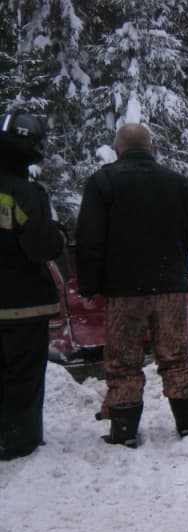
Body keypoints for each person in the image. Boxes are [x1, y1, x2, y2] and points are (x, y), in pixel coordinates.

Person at [76, 123, 188, 448]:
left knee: (123, 360)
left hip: (123, 290)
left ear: (117, 149)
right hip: (169, 287)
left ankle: (123, 432)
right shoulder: (176, 182)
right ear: (152, 148)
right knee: (176, 356)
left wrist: (89, 285)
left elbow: (89, 241)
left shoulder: (102, 182)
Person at [0, 109, 65, 460]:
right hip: (21, 305)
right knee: (23, 376)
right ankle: (17, 443)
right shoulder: (24, 193)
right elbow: (42, 246)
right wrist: (57, 236)